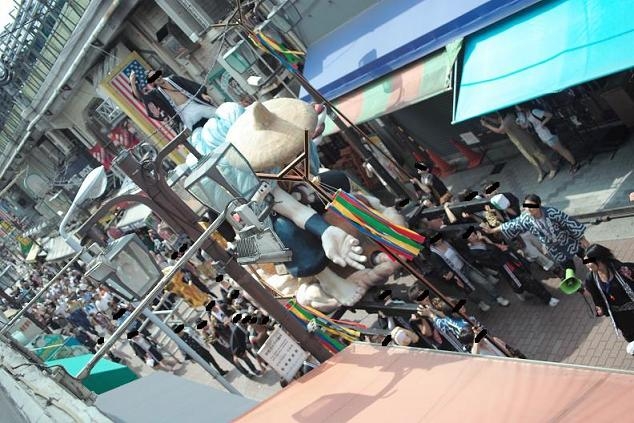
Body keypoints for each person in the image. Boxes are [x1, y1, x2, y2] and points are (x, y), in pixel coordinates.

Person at [483, 194, 589, 279]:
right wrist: (493, 230)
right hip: (554, 248)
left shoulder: (552, 212)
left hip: (567, 240)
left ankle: (594, 267)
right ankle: (572, 281)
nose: (528, 209)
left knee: (584, 254)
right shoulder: (526, 218)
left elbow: (568, 223)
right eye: (526, 206)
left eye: (531, 206)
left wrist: (582, 238)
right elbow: (512, 224)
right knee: (567, 265)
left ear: (538, 205)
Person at [583, 244, 634, 354]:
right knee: (629, 335)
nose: (587, 265)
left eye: (589, 262)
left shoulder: (623, 270)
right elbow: (594, 295)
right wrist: (599, 307)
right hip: (619, 316)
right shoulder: (591, 278)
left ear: (599, 260)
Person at [129, 69, 216, 131]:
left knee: (217, 114)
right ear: (153, 82)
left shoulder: (174, 79)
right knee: (194, 134)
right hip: (184, 115)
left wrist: (202, 94)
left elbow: (190, 85)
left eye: (156, 75)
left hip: (195, 104)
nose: (157, 78)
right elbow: (141, 97)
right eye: (154, 78)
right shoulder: (157, 93)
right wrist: (133, 83)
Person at [481, 112, 556, 182]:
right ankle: (541, 172)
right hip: (518, 142)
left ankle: (552, 168)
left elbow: (500, 130)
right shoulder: (505, 118)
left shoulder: (508, 119)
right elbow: (498, 122)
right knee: (529, 157)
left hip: (524, 139)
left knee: (538, 154)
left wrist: (486, 125)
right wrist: (488, 119)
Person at [516, 105, 580, 174]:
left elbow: (549, 115)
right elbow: (527, 126)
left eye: (517, 106)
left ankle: (574, 163)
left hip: (548, 133)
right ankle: (572, 162)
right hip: (543, 135)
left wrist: (542, 123)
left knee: (561, 150)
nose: (516, 108)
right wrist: (520, 123)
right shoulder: (526, 115)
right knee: (559, 150)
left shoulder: (534, 111)